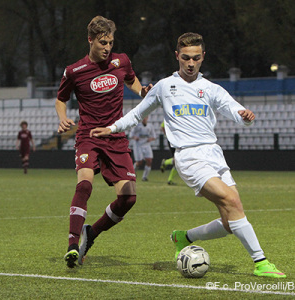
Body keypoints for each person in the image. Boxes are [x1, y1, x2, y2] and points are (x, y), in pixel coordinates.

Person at [90, 32, 286, 278]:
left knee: (230, 222)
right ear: (177, 56)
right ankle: (261, 262)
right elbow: (137, 114)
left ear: (203, 57)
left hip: (214, 155)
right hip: (189, 157)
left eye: (195, 58)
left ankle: (185, 237)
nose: (191, 63)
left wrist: (245, 116)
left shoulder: (211, 88)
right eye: (185, 58)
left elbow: (234, 109)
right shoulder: (164, 87)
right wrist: (112, 127)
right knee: (233, 202)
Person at [55, 16, 152, 268]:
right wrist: (63, 117)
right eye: (102, 42)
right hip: (88, 136)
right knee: (84, 185)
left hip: (116, 136)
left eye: (110, 42)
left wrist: (142, 91)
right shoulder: (74, 71)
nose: (107, 47)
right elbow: (61, 98)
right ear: (90, 40)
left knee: (128, 199)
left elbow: (130, 78)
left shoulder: (121, 61)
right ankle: (72, 245)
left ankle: (92, 233)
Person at [129, 116, 156, 181]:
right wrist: (135, 137)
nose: (144, 119)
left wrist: (151, 139)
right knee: (139, 162)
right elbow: (130, 135)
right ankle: (132, 173)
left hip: (146, 145)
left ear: (147, 118)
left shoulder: (150, 126)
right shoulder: (137, 126)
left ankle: (144, 177)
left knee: (149, 160)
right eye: (143, 117)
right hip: (138, 145)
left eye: (145, 117)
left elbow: (154, 136)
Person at [159, 121, 178, 185]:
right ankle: (170, 180)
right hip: (173, 141)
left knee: (178, 160)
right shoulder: (171, 117)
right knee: (177, 160)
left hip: (177, 140)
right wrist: (167, 135)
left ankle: (166, 162)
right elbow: (162, 126)